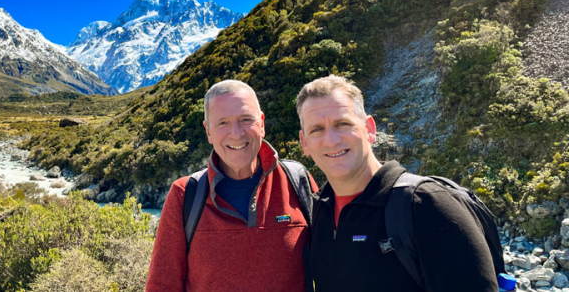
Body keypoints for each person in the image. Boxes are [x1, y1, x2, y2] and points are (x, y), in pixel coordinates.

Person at [295, 75, 496, 292]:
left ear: (369, 129)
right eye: (317, 129)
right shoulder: (319, 210)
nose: (332, 140)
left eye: (342, 124)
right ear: (304, 142)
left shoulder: (426, 204)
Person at [146, 80, 317, 292]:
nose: (236, 133)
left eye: (246, 119)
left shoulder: (297, 181)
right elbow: (162, 286)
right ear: (208, 131)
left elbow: (332, 266)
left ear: (261, 124)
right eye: (222, 123)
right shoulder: (185, 195)